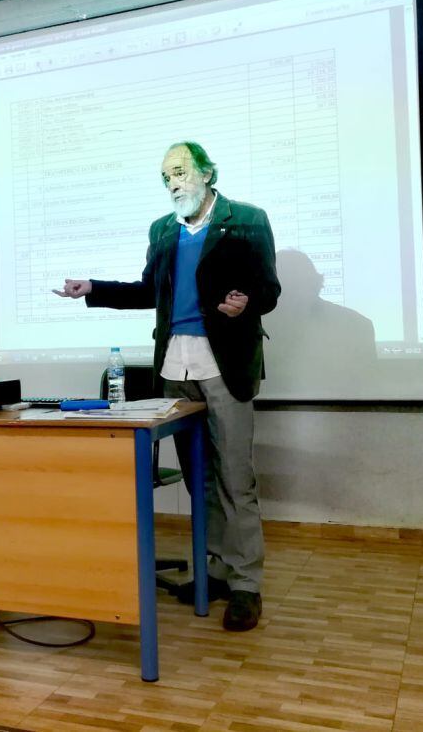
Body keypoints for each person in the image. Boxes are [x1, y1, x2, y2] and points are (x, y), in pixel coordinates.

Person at [55, 141, 279, 631]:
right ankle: (215, 568)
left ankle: (245, 584)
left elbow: (270, 289)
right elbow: (145, 291)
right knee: (200, 477)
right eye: (165, 176)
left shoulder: (246, 219)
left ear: (204, 172)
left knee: (234, 479)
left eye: (179, 171)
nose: (173, 181)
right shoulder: (162, 230)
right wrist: (92, 288)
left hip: (225, 366)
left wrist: (248, 303)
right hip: (175, 368)